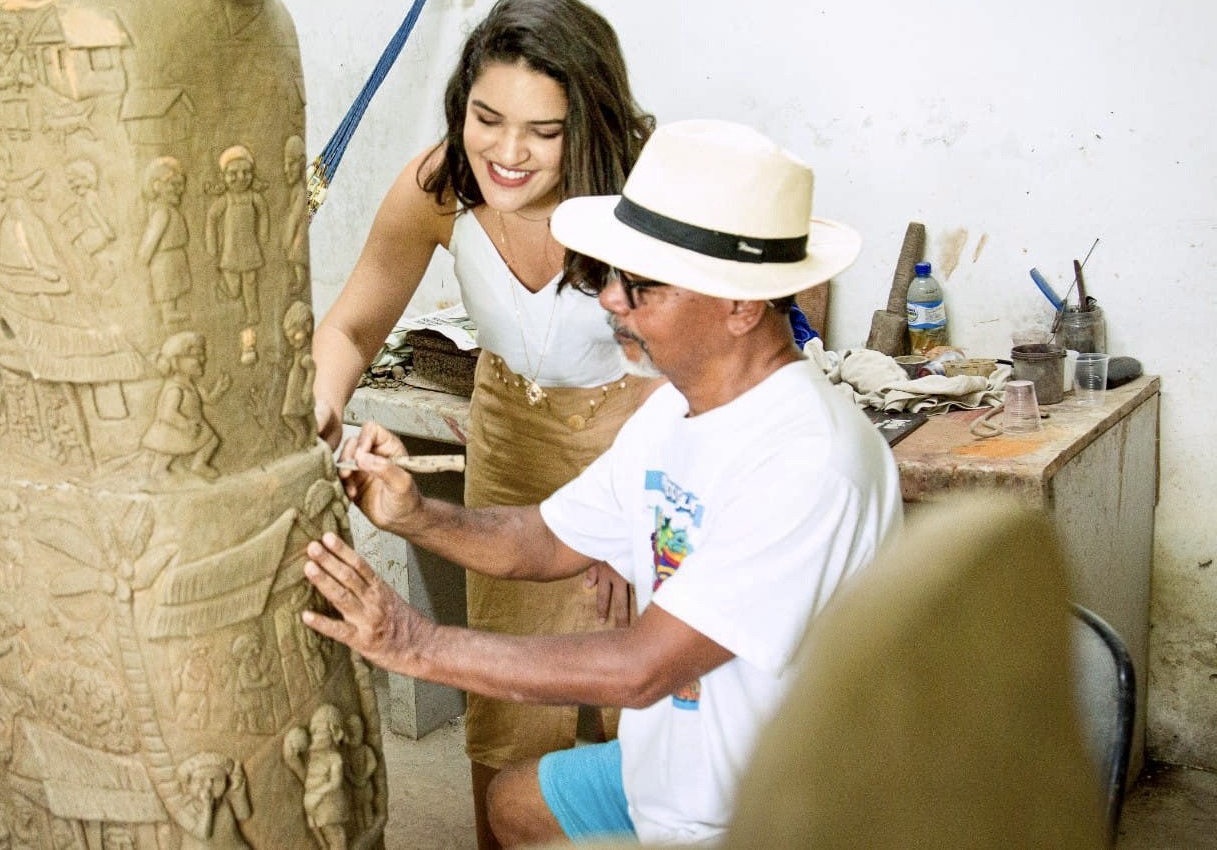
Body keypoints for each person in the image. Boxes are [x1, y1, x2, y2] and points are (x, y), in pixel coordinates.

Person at [303, 120, 904, 846]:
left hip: (771, 810)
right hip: (676, 772)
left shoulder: (808, 465)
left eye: (641, 286)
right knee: (517, 804)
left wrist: (413, 643)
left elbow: (639, 669)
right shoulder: (677, 412)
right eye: (608, 274)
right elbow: (543, 540)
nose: (610, 301)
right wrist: (414, 514)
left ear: (741, 307)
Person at [310, 0, 660, 846]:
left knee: (648, 694)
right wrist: (321, 402)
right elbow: (353, 326)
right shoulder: (438, 186)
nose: (507, 153)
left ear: (591, 125)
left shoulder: (643, 194)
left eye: (544, 133)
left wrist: (635, 519)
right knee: (506, 693)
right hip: (510, 433)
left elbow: (691, 381)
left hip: (644, 436)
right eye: (486, 117)